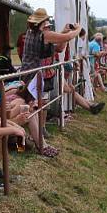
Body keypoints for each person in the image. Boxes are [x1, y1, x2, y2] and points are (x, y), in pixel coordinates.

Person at [21, 9, 81, 157]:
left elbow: (59, 47)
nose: (48, 26)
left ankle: (37, 141)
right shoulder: (44, 35)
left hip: (29, 75)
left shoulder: (31, 33)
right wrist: (77, 30)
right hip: (33, 77)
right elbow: (67, 37)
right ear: (42, 23)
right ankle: (38, 143)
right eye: (46, 23)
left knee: (33, 109)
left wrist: (63, 34)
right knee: (32, 110)